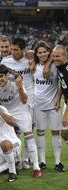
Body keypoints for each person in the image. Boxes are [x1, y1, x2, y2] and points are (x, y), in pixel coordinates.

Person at [0, 64, 41, 178]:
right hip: (6, 112)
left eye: (1, 76)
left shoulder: (16, 81)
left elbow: (24, 100)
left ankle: (36, 167)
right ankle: (10, 164)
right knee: (5, 138)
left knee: (28, 135)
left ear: (7, 75)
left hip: (21, 110)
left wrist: (20, 87)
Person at [33, 41, 65, 172]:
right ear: (36, 54)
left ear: (49, 52)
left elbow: (62, 84)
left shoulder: (56, 65)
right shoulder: (33, 66)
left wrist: (58, 98)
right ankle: (42, 162)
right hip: (38, 105)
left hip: (53, 105)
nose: (42, 54)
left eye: (45, 51)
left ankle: (58, 162)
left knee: (55, 133)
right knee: (40, 133)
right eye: (39, 52)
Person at [52, 45, 68, 149]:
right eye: (53, 56)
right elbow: (63, 85)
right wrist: (58, 98)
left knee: (65, 131)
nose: (55, 59)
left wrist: (66, 114)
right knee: (64, 133)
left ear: (64, 56)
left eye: (57, 56)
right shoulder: (59, 67)